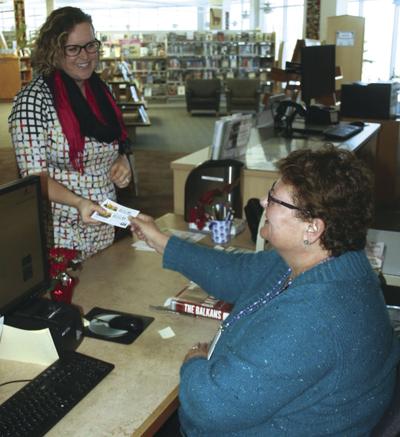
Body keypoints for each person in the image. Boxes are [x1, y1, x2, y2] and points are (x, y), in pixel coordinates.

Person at [130, 145, 400, 436]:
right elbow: (236, 273)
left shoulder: (314, 317)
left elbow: (210, 406)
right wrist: (161, 240)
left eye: (274, 199)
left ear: (312, 228)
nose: (261, 200)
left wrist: (194, 362)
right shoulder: (327, 258)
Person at [9, 7, 132, 260]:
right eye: (73, 48)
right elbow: (34, 177)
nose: (85, 56)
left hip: (104, 222)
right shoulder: (33, 101)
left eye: (90, 45)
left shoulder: (100, 91)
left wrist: (121, 160)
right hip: (61, 229)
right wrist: (78, 202)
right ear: (54, 52)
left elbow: (114, 141)